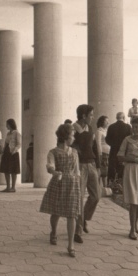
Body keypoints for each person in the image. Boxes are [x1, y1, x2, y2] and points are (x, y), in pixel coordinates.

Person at [39, 124, 81, 258]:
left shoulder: (74, 152)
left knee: (72, 214)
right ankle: (54, 232)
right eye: (72, 135)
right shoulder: (53, 152)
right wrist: (54, 172)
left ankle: (70, 245)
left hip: (72, 184)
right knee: (56, 211)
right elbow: (49, 166)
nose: (74, 137)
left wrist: (78, 182)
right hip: (58, 182)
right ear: (65, 137)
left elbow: (77, 170)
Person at [71, 104, 100, 241]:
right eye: (91, 115)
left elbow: (94, 147)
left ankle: (84, 220)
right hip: (80, 166)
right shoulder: (72, 129)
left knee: (96, 195)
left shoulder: (90, 128)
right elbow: (69, 147)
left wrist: (98, 165)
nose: (92, 117)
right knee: (79, 197)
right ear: (83, 116)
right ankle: (78, 231)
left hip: (92, 164)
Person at [106, 112, 131, 184]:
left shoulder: (111, 126)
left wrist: (113, 145)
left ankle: (111, 184)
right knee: (122, 168)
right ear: (124, 118)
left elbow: (107, 139)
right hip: (124, 151)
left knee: (112, 168)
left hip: (113, 150)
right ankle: (121, 184)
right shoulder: (128, 127)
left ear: (116, 118)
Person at [0, 118, 22, 192]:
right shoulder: (8, 134)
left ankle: (13, 187)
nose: (6, 126)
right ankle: (8, 187)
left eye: (7, 125)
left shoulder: (17, 133)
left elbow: (19, 144)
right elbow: (6, 143)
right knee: (6, 170)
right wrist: (3, 151)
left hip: (13, 153)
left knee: (13, 171)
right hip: (6, 152)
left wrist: (14, 151)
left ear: (11, 124)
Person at [95, 116, 110, 190]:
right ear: (102, 122)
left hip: (108, 152)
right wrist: (99, 153)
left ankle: (105, 187)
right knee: (101, 170)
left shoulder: (106, 130)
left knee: (106, 170)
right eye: (106, 121)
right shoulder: (99, 131)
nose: (108, 122)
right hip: (102, 152)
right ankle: (98, 187)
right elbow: (98, 143)